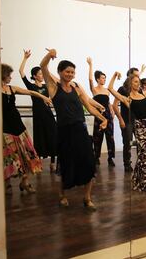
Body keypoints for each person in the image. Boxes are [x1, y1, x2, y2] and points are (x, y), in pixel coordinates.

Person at [40, 48, 108, 210]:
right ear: (60, 72)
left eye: (72, 72)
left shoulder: (77, 87)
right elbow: (43, 67)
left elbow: (89, 106)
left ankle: (87, 198)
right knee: (66, 163)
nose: (70, 74)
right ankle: (62, 195)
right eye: (67, 72)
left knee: (88, 163)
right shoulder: (53, 87)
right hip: (64, 131)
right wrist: (50, 56)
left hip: (80, 130)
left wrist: (102, 118)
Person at [2, 63, 51, 195]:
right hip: (4, 127)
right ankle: (7, 184)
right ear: (2, 75)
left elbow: (30, 92)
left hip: (18, 125)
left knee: (27, 154)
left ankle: (25, 181)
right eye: (8, 75)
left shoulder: (12, 89)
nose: (10, 78)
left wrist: (43, 96)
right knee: (10, 157)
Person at [19, 49, 58, 172]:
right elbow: (21, 72)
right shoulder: (31, 86)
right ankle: (39, 162)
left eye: (42, 74)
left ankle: (53, 162)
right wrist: (25, 58)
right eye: (40, 74)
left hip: (48, 115)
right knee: (40, 138)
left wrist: (48, 61)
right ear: (35, 76)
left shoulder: (47, 87)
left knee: (53, 136)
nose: (42, 75)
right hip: (38, 115)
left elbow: (53, 80)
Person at [112, 66, 145, 172]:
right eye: (135, 75)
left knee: (141, 142)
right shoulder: (122, 89)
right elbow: (115, 105)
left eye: (138, 76)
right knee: (128, 143)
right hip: (127, 121)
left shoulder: (139, 89)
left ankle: (141, 162)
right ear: (130, 77)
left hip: (138, 120)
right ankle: (127, 164)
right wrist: (120, 119)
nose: (138, 78)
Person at [87, 57, 117, 167]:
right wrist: (90, 65)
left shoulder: (106, 91)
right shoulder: (94, 89)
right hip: (99, 116)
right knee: (97, 137)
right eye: (103, 78)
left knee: (110, 137)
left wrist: (112, 111)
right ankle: (96, 157)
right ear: (98, 79)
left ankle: (110, 158)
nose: (104, 80)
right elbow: (90, 80)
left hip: (108, 115)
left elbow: (108, 103)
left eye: (105, 78)